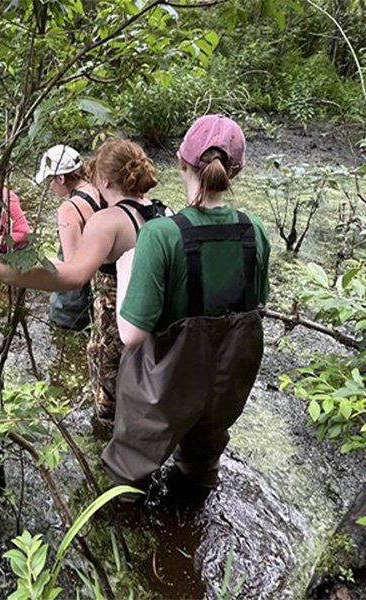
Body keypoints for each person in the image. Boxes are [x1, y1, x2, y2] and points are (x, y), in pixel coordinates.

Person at [101, 115, 270, 499]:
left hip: (164, 385)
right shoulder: (254, 231)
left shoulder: (160, 234)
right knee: (200, 468)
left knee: (128, 478)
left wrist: (127, 269)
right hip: (227, 381)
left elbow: (131, 334)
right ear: (236, 171)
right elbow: (256, 304)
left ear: (180, 159)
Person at [0, 139, 168, 419]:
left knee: (110, 401)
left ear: (106, 181)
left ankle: (111, 451)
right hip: (153, 320)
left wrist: (0, 271)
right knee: (142, 387)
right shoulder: (160, 211)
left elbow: (74, 275)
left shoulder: (109, 220)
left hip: (117, 324)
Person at [34, 145, 106, 330]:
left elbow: (72, 267)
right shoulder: (100, 190)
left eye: (50, 180)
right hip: (104, 291)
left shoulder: (69, 209)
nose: (49, 187)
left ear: (61, 178)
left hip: (74, 303)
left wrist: (38, 265)